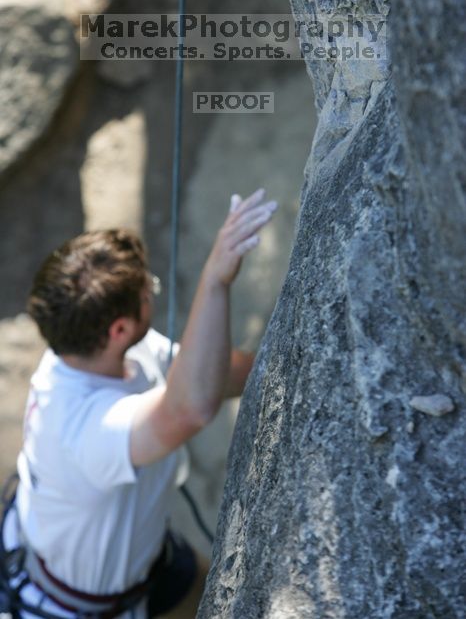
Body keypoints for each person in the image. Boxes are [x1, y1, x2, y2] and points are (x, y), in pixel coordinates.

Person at [5, 188, 277, 619]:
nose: (153, 292)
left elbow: (207, 374)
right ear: (117, 329)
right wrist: (215, 280)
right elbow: (189, 408)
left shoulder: (88, 348)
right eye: (149, 290)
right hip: (78, 607)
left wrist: (286, 363)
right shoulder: (82, 430)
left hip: (148, 565)